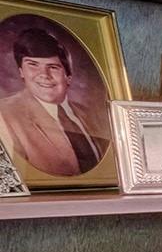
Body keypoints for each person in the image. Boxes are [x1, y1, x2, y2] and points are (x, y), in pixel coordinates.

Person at [0, 25, 109, 178]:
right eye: (33, 65)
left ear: (68, 77)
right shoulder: (5, 114)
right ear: (21, 72)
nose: (44, 75)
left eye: (53, 67)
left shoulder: (91, 114)